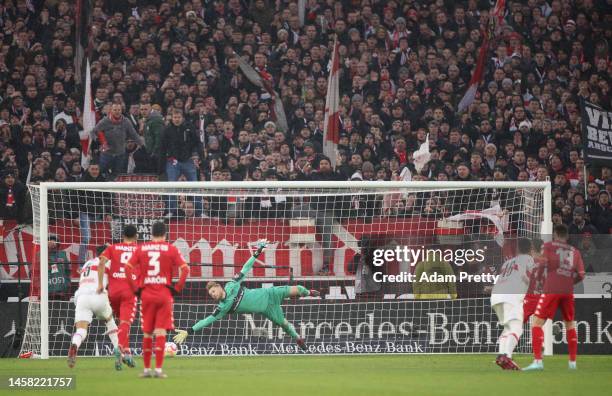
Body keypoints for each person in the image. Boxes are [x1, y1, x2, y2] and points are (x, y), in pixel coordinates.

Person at [173, 240, 320, 351]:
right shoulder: (222, 307)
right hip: (267, 309)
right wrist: (189, 330)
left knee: (299, 289)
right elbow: (207, 320)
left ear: (219, 286)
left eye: (213, 291)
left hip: (270, 294)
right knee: (284, 325)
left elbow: (246, 267)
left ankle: (309, 293)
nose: (212, 295)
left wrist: (258, 251)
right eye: (210, 294)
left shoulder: (232, 284)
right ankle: (298, 340)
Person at [126, 222, 190, 378]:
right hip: (164, 294)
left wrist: (135, 289)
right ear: (165, 234)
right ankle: (159, 370)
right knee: (161, 332)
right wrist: (177, 288)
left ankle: (147, 369)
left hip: (146, 294)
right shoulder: (171, 248)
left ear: (151, 234)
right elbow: (185, 268)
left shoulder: (141, 248)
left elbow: (127, 267)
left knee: (147, 333)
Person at [523, 224, 585, 371]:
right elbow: (581, 274)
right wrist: (569, 281)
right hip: (567, 290)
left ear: (555, 235)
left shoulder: (549, 246)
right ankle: (572, 363)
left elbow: (542, 265)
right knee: (570, 324)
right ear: (567, 236)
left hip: (551, 289)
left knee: (537, 322)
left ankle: (538, 362)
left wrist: (538, 279)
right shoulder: (575, 251)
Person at [67, 246, 120, 369]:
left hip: (81, 297)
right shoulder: (108, 262)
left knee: (81, 330)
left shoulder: (87, 263)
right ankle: (118, 351)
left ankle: (75, 345)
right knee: (110, 321)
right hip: (98, 295)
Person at [490, 238, 536, 370]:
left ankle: (502, 356)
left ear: (517, 249)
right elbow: (534, 276)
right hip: (511, 295)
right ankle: (507, 356)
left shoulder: (507, 263)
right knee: (517, 327)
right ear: (530, 249)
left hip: (496, 296)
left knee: (508, 328)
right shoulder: (528, 259)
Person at [97, 225, 139, 369]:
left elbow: (101, 262)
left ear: (122, 235)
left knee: (121, 324)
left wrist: (100, 284)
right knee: (125, 323)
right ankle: (119, 348)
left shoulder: (113, 248)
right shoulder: (139, 250)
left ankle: (127, 353)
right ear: (136, 236)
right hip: (129, 291)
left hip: (113, 292)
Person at [90, 103, 144, 179]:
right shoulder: (105, 121)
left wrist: (142, 145)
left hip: (120, 154)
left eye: (119, 110)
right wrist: (98, 140)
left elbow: (134, 135)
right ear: (111, 110)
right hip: (106, 153)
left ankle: (113, 190)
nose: (117, 112)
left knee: (117, 175)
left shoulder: (126, 121)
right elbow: (93, 132)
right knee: (101, 173)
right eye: (115, 110)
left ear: (121, 111)